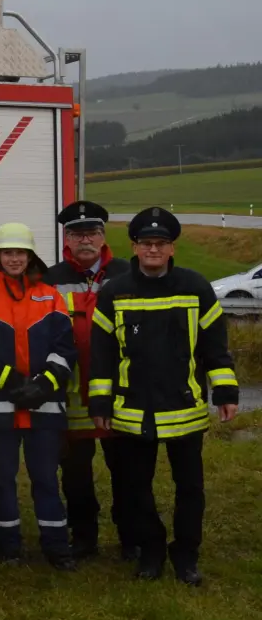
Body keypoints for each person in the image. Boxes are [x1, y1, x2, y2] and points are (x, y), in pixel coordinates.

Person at [89, 207, 238, 585]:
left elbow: (215, 347)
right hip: (132, 411)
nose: (153, 250)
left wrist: (225, 390)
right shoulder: (114, 292)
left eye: (161, 244)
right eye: (146, 243)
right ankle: (151, 553)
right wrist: (101, 402)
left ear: (172, 248)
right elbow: (102, 354)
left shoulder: (196, 288)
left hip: (183, 409)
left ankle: (186, 556)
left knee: (190, 489)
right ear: (135, 248)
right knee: (137, 489)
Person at [0, 223, 78, 570]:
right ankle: (7, 545)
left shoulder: (51, 296)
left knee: (46, 478)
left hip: (43, 407)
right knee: (1, 479)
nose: (14, 258)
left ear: (30, 257)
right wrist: (14, 384)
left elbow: (65, 348)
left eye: (20, 253)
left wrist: (42, 385)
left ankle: (57, 547)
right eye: (7, 253)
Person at [43, 200, 133, 561]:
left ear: (103, 236)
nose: (85, 240)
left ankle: (132, 536)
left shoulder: (129, 275)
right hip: (71, 396)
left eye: (92, 232)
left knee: (127, 471)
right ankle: (83, 536)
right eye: (78, 233)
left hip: (120, 394)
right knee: (76, 475)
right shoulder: (51, 280)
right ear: (67, 238)